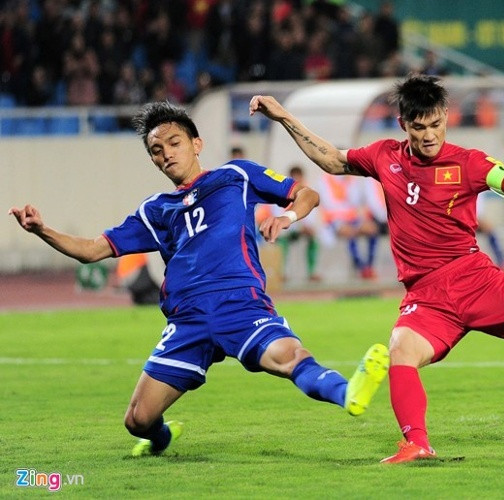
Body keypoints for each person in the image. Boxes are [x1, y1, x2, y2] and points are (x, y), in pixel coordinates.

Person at [249, 74, 504, 464]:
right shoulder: (385, 156)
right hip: (426, 296)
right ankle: (417, 444)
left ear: (446, 118)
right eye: (419, 127)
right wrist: (283, 115)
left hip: (477, 282)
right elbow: (331, 158)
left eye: (436, 124)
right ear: (404, 125)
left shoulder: (470, 163)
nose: (429, 135)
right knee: (401, 351)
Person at [9, 101, 389, 458]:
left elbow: (306, 193)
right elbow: (93, 249)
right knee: (137, 420)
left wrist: (287, 217)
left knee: (290, 358)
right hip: (187, 321)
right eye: (157, 151)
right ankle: (163, 437)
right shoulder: (156, 210)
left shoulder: (236, 177)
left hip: (239, 304)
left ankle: (348, 391)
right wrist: (42, 229)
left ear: (197, 143)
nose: (167, 154)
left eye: (174, 143)